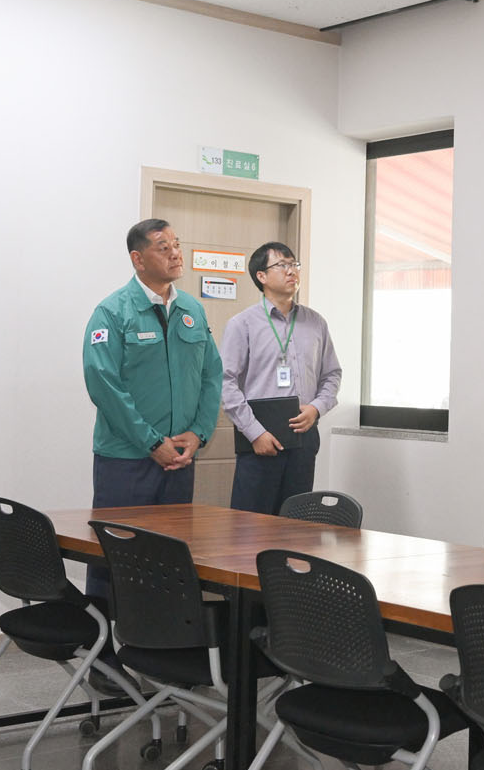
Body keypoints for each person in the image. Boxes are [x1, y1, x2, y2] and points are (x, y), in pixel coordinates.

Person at [82, 219, 223, 595]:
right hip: (126, 462)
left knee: (169, 561)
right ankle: (103, 632)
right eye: (164, 247)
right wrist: (150, 442)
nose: (176, 253)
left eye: (177, 244)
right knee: (115, 557)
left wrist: (199, 433)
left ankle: (164, 632)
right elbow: (103, 383)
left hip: (179, 461)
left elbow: (212, 374)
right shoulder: (113, 312)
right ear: (138, 259)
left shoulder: (192, 309)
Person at [221, 241, 341, 514]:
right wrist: (255, 433)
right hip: (259, 439)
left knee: (295, 523)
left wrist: (316, 408)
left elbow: (332, 374)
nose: (292, 271)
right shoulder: (242, 324)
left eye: (294, 264)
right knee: (250, 525)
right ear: (261, 276)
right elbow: (226, 384)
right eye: (282, 265)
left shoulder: (316, 322)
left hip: (303, 437)